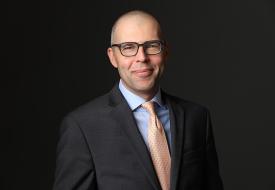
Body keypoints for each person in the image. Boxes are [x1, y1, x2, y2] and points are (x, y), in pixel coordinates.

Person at [53, 10, 224, 190]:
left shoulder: (197, 118)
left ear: (165, 51)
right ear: (113, 56)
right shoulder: (83, 126)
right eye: (128, 47)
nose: (142, 57)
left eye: (151, 45)